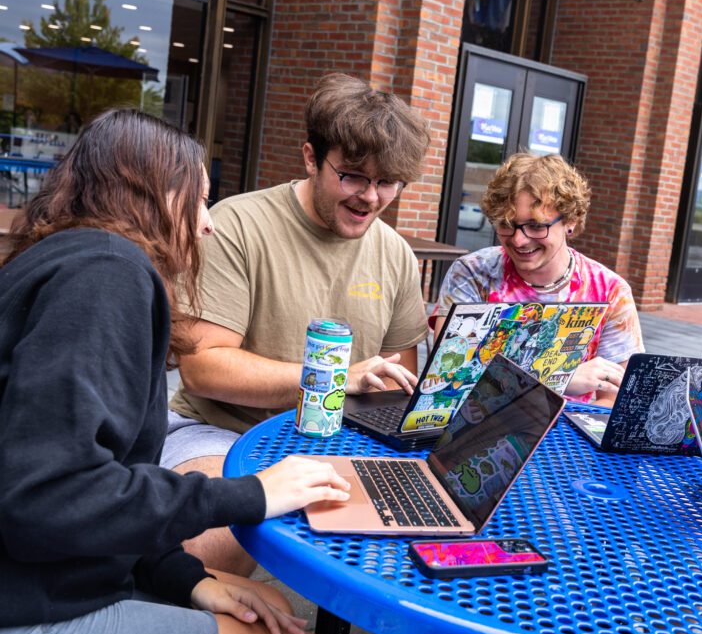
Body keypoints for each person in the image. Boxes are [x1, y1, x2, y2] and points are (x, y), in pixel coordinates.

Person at [0, 109, 351, 634]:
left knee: (255, 599)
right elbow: (51, 494)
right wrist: (253, 493)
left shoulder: (74, 259)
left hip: (53, 572)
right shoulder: (105, 277)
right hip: (29, 598)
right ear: (150, 195)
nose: (207, 221)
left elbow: (95, 476)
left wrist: (183, 576)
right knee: (266, 629)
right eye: (200, 198)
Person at [164, 73, 432, 575]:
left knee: (423, 552)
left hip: (343, 441)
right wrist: (331, 378)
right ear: (311, 158)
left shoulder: (396, 254)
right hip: (221, 430)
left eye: (387, 182)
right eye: (352, 175)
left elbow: (397, 385)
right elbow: (203, 370)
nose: (370, 198)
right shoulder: (238, 224)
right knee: (206, 554)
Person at [433, 153, 644, 405]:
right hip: (478, 426)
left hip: (571, 435)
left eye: (536, 226)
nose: (519, 240)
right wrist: (556, 377)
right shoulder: (473, 273)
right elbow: (447, 380)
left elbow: (613, 401)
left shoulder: (610, 291)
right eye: (507, 224)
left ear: (571, 221)